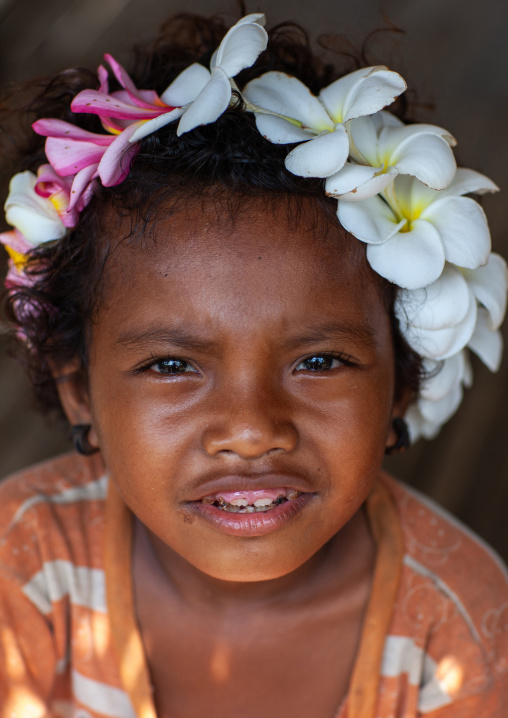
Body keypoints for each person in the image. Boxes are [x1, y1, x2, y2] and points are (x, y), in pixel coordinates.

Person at [0, 10, 507, 718]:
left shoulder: (466, 636)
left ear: (403, 382)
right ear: (78, 387)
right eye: (172, 366)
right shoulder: (19, 569)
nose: (250, 429)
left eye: (321, 360)